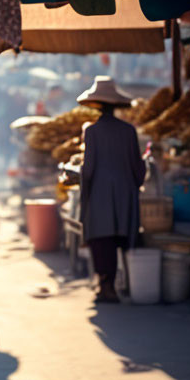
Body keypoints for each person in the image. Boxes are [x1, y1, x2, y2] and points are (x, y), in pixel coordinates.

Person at [78, 76, 146, 303]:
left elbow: (88, 171)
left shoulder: (92, 132)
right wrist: (134, 186)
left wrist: (84, 191)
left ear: (97, 104)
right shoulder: (129, 131)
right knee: (118, 238)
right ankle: (114, 284)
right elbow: (138, 167)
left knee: (102, 240)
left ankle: (106, 285)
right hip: (124, 194)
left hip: (101, 195)